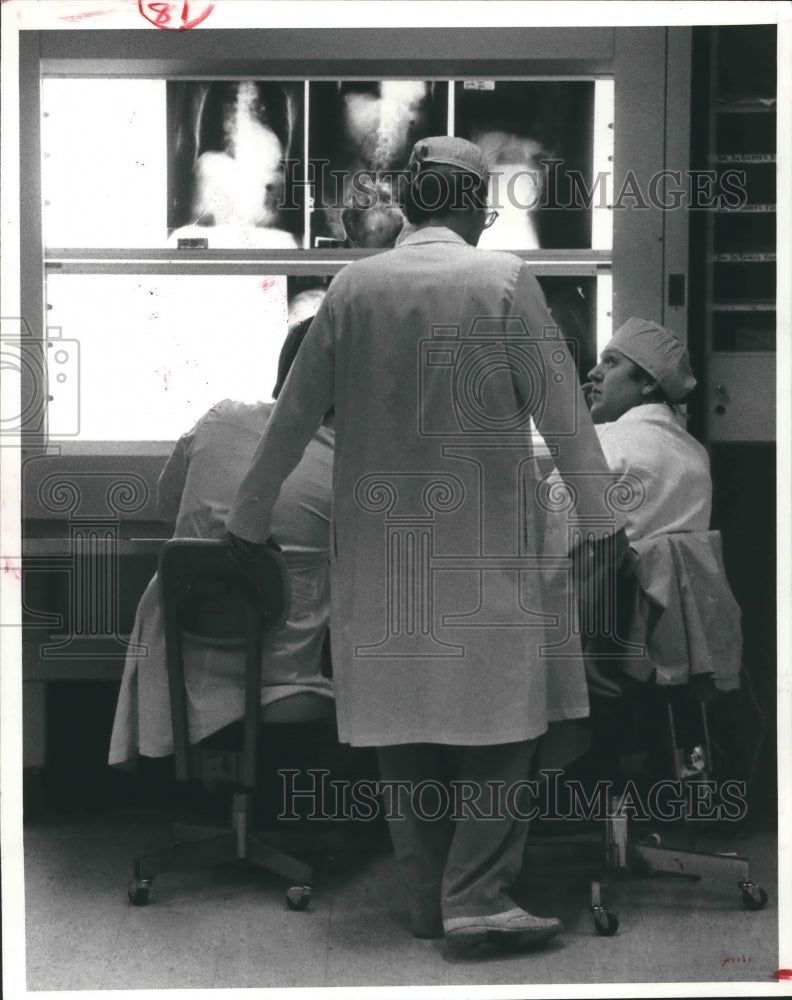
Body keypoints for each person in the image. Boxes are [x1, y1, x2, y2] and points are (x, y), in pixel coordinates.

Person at [226, 136, 626, 954]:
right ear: (476, 204)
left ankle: (425, 899)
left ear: (410, 202)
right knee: (506, 727)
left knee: (400, 729)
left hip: (381, 561)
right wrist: (603, 528)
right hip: (486, 555)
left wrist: (244, 522)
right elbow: (564, 417)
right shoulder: (504, 280)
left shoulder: (351, 287)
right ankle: (477, 895)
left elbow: (290, 422)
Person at [108, 318, 334, 769]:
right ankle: (321, 822)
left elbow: (165, 502)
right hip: (283, 687)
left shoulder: (220, 418)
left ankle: (226, 806)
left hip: (179, 680)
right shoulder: (345, 460)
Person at [583, 316, 741, 697]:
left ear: (649, 381)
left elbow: (555, 540)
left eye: (611, 362)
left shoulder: (605, 445)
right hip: (668, 649)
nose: (593, 373)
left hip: (603, 640)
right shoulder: (694, 453)